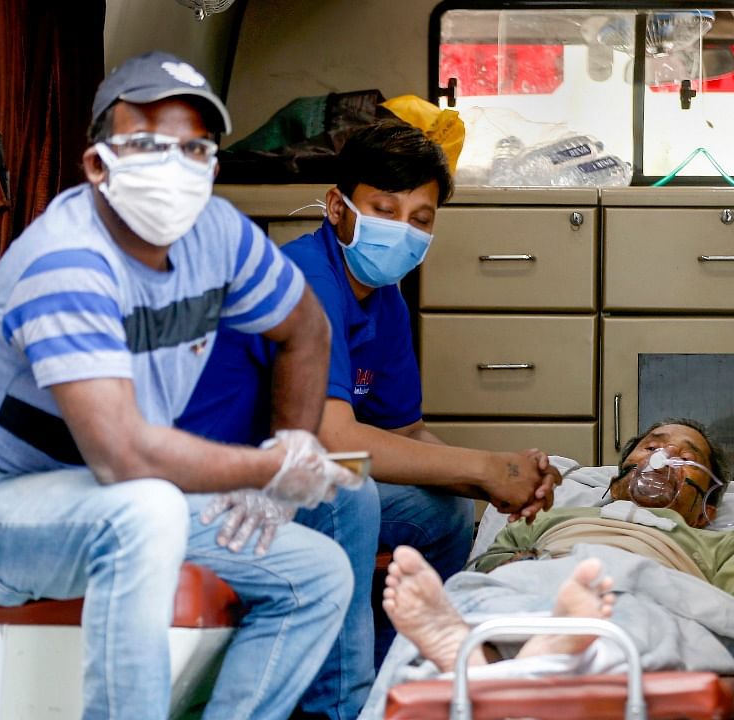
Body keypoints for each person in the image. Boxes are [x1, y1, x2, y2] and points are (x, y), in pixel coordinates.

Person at [0, 51, 360, 720]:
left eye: (195, 148)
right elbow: (124, 456)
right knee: (148, 508)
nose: (174, 165)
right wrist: (271, 467)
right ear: (97, 164)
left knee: (317, 576)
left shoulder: (220, 235)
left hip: (100, 493)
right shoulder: (68, 257)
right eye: (147, 144)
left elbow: (306, 330)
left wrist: (285, 451)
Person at [176, 120, 561, 718]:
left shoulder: (381, 299)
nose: (402, 231)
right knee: (347, 492)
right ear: (337, 207)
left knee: (443, 513)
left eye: (421, 219)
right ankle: (341, 705)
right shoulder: (305, 278)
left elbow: (404, 433)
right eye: (384, 209)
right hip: (212, 481)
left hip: (284, 481)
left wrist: (492, 483)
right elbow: (332, 439)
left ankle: (397, 681)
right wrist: (485, 465)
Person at [381, 418, 734, 676]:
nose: (663, 457)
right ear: (616, 483)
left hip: (649, 587)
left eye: (686, 458)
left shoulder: (720, 544)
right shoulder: (549, 517)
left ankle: (490, 661)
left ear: (706, 509)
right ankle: (526, 652)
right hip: (544, 575)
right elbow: (491, 566)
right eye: (651, 447)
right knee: (481, 602)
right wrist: (514, 567)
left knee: (625, 616)